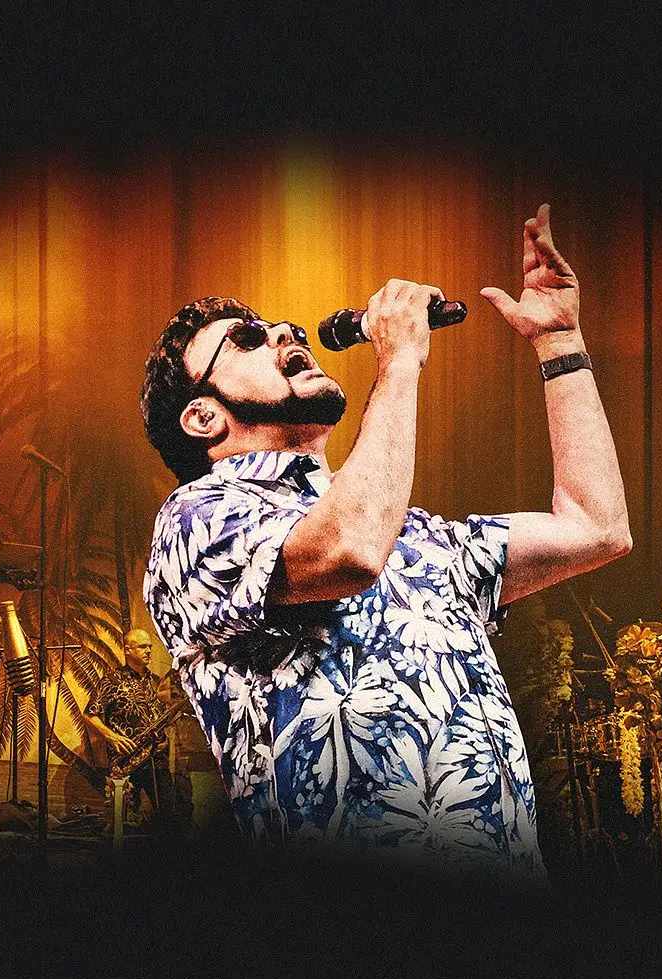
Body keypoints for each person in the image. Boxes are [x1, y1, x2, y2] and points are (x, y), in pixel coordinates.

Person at [141, 205, 631, 879]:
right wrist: (399, 361)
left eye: (281, 328)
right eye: (248, 339)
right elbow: (350, 550)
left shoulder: (417, 534)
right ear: (203, 416)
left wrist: (560, 344)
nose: (285, 331)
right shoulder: (196, 519)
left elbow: (597, 527)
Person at [84, 628, 192, 827]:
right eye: (142, 647)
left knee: (169, 817)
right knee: (122, 822)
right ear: (128, 650)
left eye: (149, 646)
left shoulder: (158, 683)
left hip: (157, 760)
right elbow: (90, 714)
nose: (148, 651)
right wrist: (112, 737)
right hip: (126, 762)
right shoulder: (111, 680)